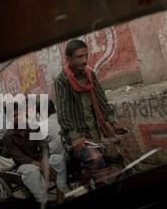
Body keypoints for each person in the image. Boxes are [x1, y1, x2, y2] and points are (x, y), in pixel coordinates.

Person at [54, 39, 127, 172]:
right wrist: (75, 138)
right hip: (77, 134)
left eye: (86, 55)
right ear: (69, 59)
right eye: (79, 57)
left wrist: (112, 121)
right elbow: (63, 114)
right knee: (96, 159)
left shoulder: (89, 74)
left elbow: (101, 99)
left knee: (116, 159)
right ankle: (86, 185)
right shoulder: (62, 80)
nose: (84, 60)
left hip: (95, 129)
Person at [2, 103, 69, 206]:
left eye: (19, 114)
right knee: (32, 171)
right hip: (23, 165)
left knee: (59, 159)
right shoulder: (8, 137)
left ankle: (60, 196)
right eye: (14, 116)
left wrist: (44, 160)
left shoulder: (33, 128)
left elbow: (43, 145)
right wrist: (42, 166)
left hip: (39, 159)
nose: (18, 118)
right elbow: (20, 157)